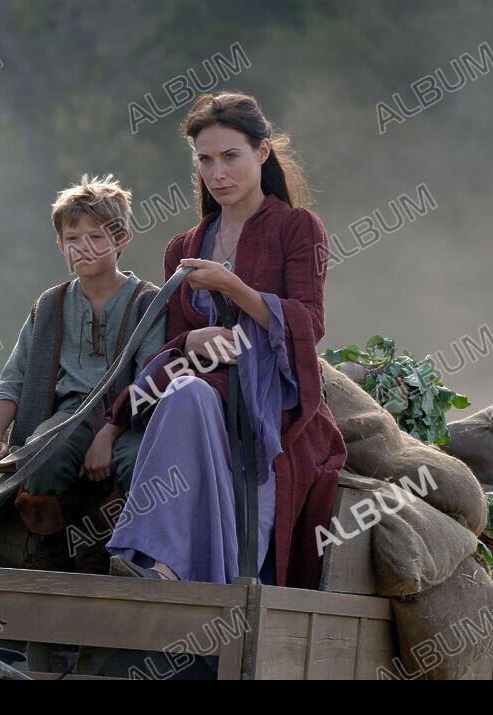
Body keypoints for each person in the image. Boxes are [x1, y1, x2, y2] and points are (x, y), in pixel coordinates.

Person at [103, 92, 347, 590]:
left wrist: (233, 287)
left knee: (189, 396)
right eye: (206, 160)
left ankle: (167, 565)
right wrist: (194, 338)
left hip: (274, 402)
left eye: (230, 156)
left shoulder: (300, 229)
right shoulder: (183, 248)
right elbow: (171, 343)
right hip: (199, 392)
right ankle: (160, 565)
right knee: (187, 392)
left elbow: (309, 322)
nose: (218, 173)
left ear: (262, 153)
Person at [0, 173, 167, 573]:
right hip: (69, 414)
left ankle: (116, 554)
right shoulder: (51, 305)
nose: (83, 248)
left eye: (96, 237)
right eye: (73, 239)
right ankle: (53, 552)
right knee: (41, 455)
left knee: (141, 463)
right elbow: (16, 378)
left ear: (121, 240)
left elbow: (151, 380)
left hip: (130, 419)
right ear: (60, 245)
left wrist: (108, 435)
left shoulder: (147, 302)